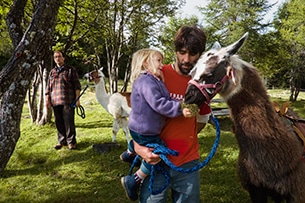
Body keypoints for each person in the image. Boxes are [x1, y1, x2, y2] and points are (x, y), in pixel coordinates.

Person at [120, 25, 211, 202]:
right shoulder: (156, 76)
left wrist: (185, 138)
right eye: (182, 52)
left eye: (193, 54)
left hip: (188, 161)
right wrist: (139, 147)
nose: (186, 59)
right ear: (175, 50)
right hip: (155, 161)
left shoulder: (202, 83)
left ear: (200, 54)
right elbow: (138, 114)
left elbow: (203, 118)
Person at [45, 50, 81, 150]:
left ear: (63, 58)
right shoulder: (52, 72)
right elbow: (48, 88)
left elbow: (77, 85)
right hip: (55, 101)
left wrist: (77, 99)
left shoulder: (70, 70)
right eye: (55, 57)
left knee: (69, 122)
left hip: (68, 100)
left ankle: (71, 142)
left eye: (59, 56)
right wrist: (47, 100)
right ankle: (61, 141)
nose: (57, 58)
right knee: (58, 122)